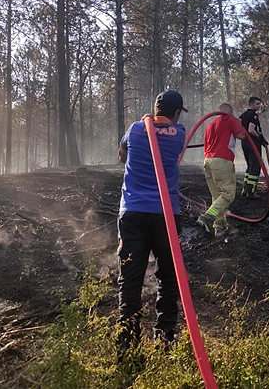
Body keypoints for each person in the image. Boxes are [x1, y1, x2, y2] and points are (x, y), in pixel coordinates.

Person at [116, 90, 187, 358]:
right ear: (177, 112)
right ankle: (165, 339)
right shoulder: (179, 135)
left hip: (132, 213)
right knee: (168, 278)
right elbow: (170, 137)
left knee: (130, 280)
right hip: (166, 215)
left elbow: (122, 153)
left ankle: (127, 347)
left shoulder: (135, 129)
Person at [195, 103, 245, 237]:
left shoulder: (210, 124)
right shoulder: (230, 119)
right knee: (228, 194)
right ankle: (207, 218)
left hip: (207, 161)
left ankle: (220, 227)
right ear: (230, 112)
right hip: (222, 160)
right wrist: (240, 124)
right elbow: (241, 136)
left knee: (217, 196)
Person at [239, 96, 268, 198]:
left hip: (245, 142)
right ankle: (251, 192)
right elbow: (251, 129)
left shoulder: (243, 115)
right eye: (257, 104)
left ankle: (245, 189)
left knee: (249, 167)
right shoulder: (253, 115)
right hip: (253, 143)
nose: (259, 106)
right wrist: (261, 139)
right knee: (255, 167)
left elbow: (239, 128)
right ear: (251, 104)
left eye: (259, 104)